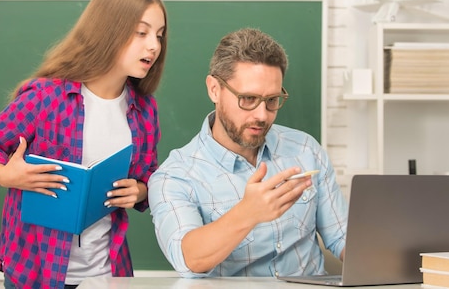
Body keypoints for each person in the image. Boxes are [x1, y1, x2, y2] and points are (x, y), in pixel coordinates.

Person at [0, 0, 168, 288]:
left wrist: (140, 191)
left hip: (107, 272)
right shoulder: (47, 97)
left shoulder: (144, 110)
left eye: (159, 35)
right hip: (36, 271)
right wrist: (7, 175)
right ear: (108, 31)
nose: (154, 46)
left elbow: (149, 175)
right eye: (142, 33)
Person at [148, 28, 348, 278]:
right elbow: (189, 259)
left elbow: (341, 235)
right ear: (214, 89)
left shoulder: (305, 149)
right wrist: (248, 213)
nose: (262, 115)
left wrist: (387, 259)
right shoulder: (175, 176)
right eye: (248, 99)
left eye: (272, 100)